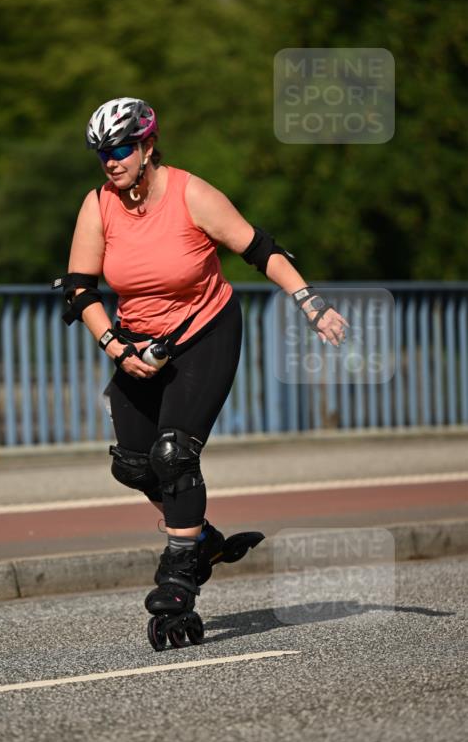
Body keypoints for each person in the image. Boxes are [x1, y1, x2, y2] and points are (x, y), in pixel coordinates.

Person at [54, 97, 348, 650]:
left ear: (146, 146)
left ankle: (178, 586)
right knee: (134, 465)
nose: (111, 162)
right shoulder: (98, 205)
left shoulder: (192, 194)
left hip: (207, 333)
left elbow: (262, 250)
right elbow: (78, 289)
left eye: (120, 149)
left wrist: (312, 304)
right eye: (101, 154)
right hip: (136, 345)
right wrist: (117, 347)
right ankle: (204, 538)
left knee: (174, 455)